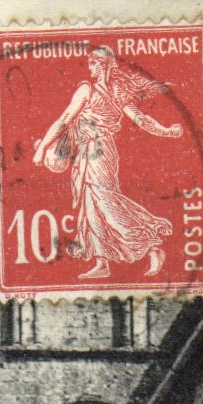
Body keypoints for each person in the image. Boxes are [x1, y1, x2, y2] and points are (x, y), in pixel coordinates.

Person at [32, 46, 183, 279]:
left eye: (92, 63)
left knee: (105, 201)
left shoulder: (90, 90)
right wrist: (167, 131)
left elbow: (64, 120)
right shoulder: (113, 92)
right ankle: (102, 262)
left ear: (101, 65)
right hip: (90, 152)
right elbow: (141, 120)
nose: (89, 68)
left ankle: (152, 245)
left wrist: (42, 148)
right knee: (91, 205)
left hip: (98, 152)